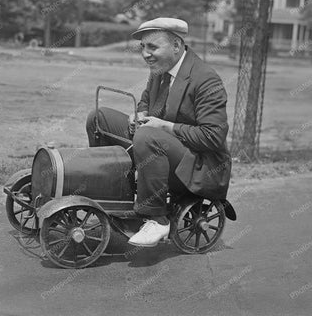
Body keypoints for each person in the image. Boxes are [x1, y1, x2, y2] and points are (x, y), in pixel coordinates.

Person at [86, 17, 231, 247]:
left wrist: (164, 126)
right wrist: (139, 115)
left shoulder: (206, 79)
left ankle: (157, 217)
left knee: (147, 136)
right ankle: (113, 195)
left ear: (176, 45)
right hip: (160, 146)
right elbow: (145, 100)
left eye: (152, 47)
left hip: (200, 165)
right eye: (143, 47)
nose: (145, 54)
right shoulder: (160, 70)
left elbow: (213, 136)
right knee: (99, 117)